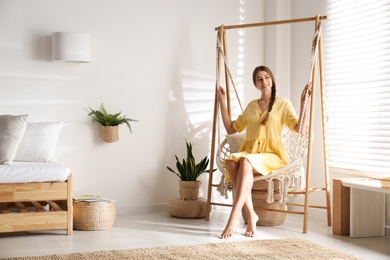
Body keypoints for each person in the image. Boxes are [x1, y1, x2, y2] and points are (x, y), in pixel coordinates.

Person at [216, 65, 311, 239]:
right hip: (251, 153)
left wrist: (303, 102)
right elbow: (231, 128)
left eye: (267, 77)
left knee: (245, 162)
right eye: (259, 79)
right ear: (255, 84)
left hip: (273, 155)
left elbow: (300, 129)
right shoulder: (252, 106)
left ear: (272, 79)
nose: (264, 81)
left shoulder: (283, 104)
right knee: (231, 160)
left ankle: (234, 214)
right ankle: (251, 213)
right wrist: (222, 101)